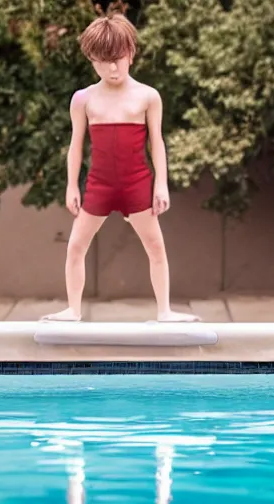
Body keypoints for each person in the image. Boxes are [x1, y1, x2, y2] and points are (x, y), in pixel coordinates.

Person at [42, 13, 201, 323]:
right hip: (99, 185)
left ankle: (165, 311)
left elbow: (157, 143)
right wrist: (72, 185)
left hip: (137, 184)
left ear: (131, 54)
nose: (112, 68)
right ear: (92, 60)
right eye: (103, 61)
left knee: (156, 247)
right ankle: (73, 310)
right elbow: (76, 146)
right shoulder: (83, 99)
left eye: (117, 59)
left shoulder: (147, 96)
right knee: (75, 246)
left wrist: (161, 185)